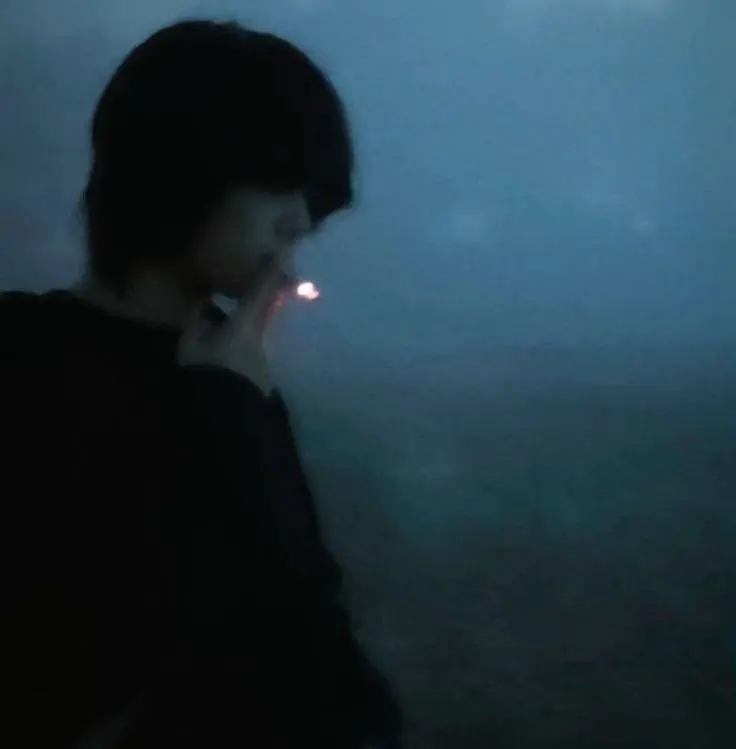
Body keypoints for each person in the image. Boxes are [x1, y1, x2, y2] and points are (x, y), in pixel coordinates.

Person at [0, 19, 403, 749]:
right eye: (277, 181)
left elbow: (328, 673)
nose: (301, 219)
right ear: (178, 173)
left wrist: (237, 415)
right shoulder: (28, 361)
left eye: (309, 192)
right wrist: (225, 422)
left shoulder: (233, 378)